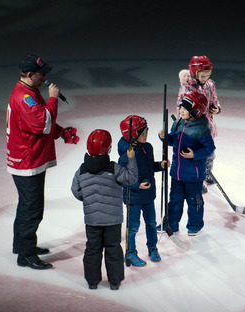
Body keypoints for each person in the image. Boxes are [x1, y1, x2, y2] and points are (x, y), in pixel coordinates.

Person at [7, 54, 79, 270]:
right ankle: (26, 256)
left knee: (26, 206)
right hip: (28, 161)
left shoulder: (29, 92)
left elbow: (39, 120)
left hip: (27, 158)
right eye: (41, 74)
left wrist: (59, 132)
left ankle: (21, 245)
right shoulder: (25, 97)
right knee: (32, 209)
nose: (45, 77)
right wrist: (54, 99)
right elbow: (42, 123)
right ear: (30, 75)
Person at [71, 129, 138, 290]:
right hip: (113, 221)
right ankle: (115, 281)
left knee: (92, 249)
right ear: (108, 148)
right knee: (113, 248)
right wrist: (131, 159)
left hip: (92, 220)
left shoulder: (81, 170)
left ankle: (92, 281)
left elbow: (76, 190)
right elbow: (132, 178)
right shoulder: (114, 168)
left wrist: (89, 201)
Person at [160, 91, 215, 236]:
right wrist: (165, 138)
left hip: (193, 175)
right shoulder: (177, 123)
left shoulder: (201, 129)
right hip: (177, 172)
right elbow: (172, 141)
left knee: (194, 201)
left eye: (185, 109)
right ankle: (171, 224)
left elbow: (209, 148)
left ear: (196, 111)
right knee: (174, 200)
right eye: (181, 108)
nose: (181, 110)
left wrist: (194, 154)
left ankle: (194, 225)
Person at [118, 115, 167, 267]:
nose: (147, 135)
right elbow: (122, 178)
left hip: (148, 196)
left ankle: (152, 247)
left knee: (151, 223)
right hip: (133, 198)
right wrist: (136, 185)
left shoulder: (148, 147)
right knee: (132, 227)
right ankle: (131, 252)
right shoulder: (126, 156)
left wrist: (160, 166)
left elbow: (149, 166)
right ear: (133, 135)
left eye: (147, 131)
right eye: (143, 133)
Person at [177, 55, 221, 193]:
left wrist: (217, 108)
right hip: (194, 130)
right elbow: (181, 108)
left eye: (208, 75)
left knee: (209, 153)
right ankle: (198, 179)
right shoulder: (187, 88)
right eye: (202, 76)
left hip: (208, 127)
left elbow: (215, 100)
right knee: (196, 156)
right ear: (194, 73)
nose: (205, 78)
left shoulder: (210, 84)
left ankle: (208, 173)